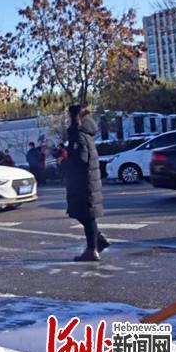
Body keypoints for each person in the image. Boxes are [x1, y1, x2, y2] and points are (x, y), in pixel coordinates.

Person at [65, 105, 109, 262]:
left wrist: (66, 161)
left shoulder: (79, 135)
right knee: (83, 214)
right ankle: (98, 242)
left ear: (75, 116)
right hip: (87, 180)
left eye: (68, 114)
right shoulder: (86, 133)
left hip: (83, 182)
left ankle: (92, 250)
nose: (66, 117)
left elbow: (81, 159)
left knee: (85, 214)